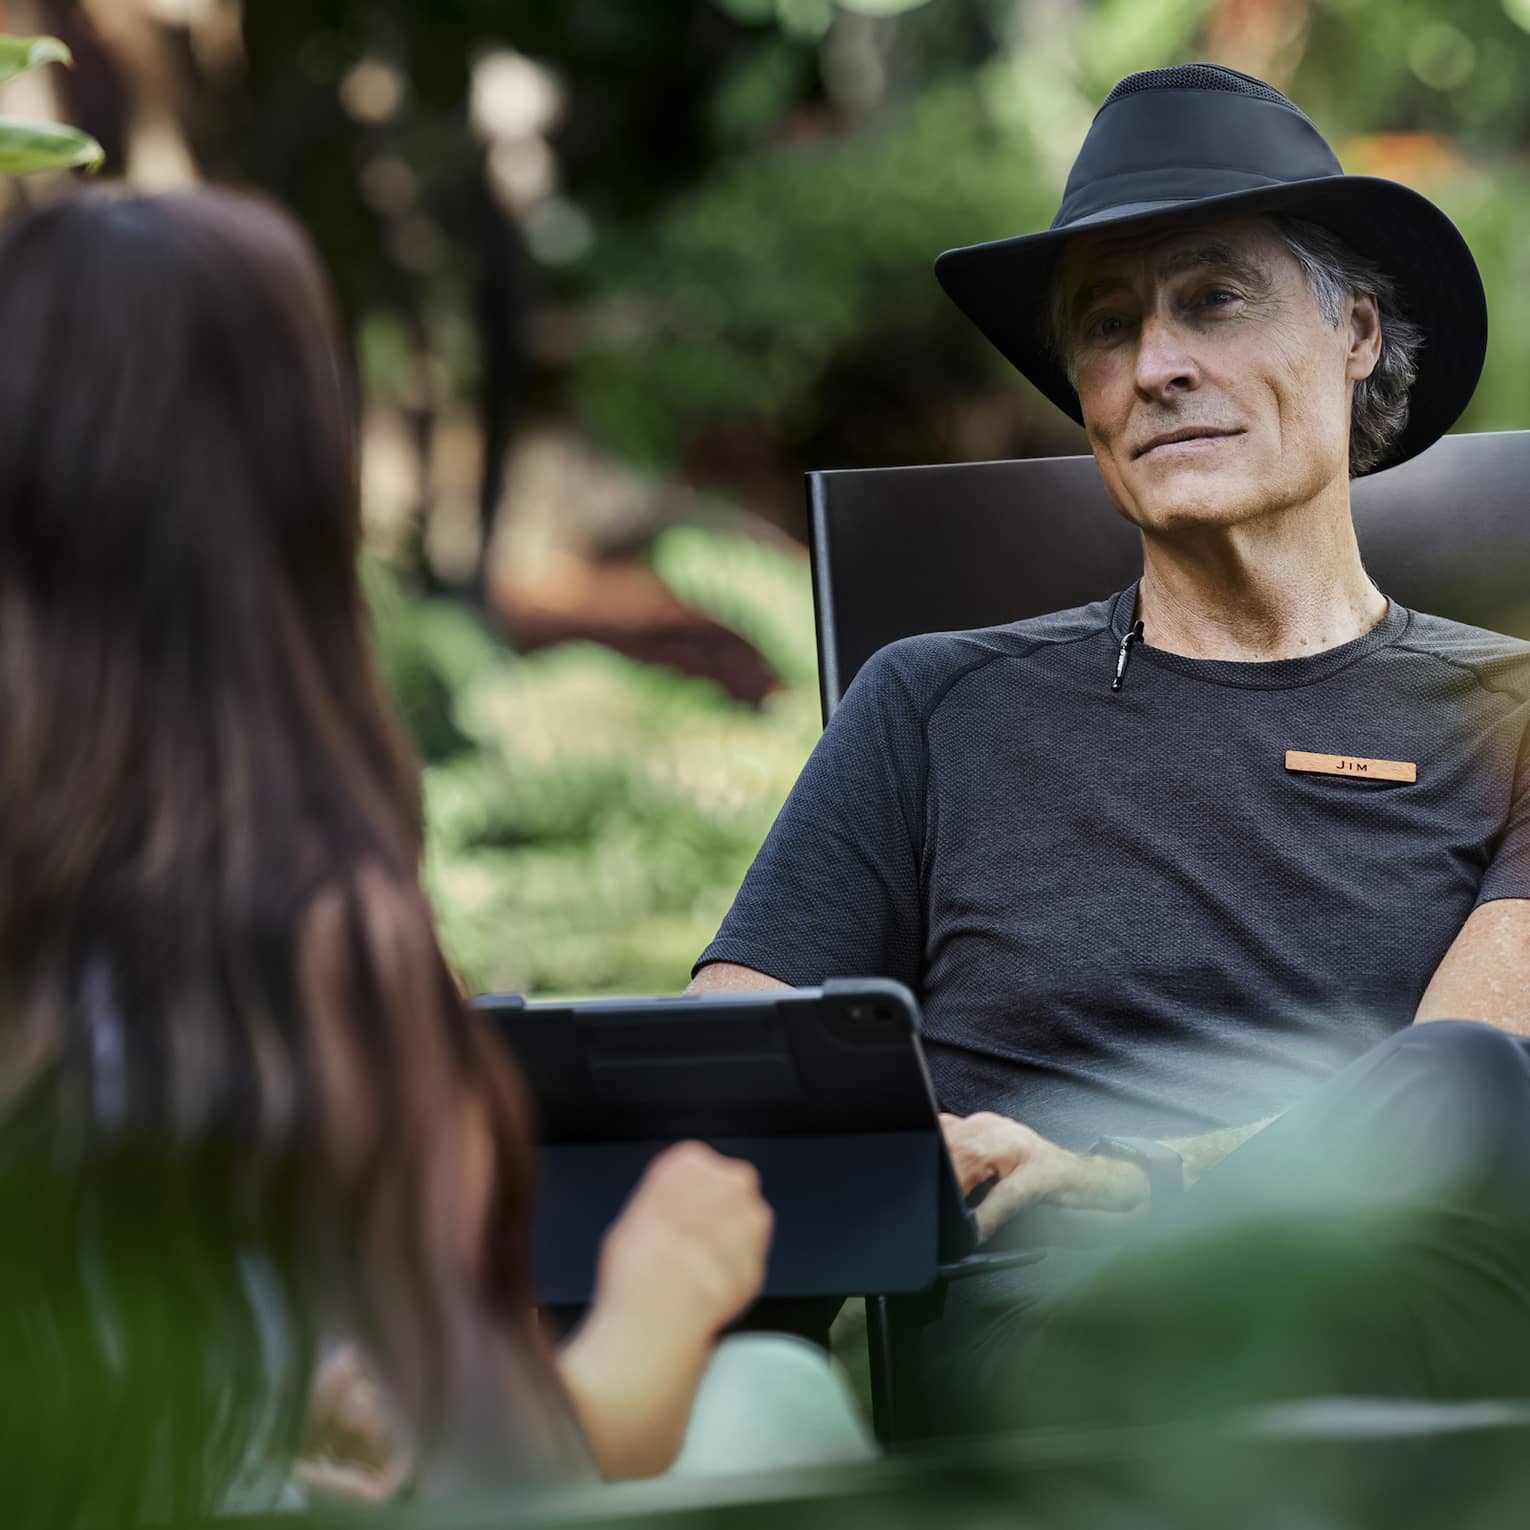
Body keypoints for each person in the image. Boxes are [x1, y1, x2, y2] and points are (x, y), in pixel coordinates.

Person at [0, 187, 866, 1523]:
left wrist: (257, 1411)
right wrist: (665, 1285)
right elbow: (512, 1477)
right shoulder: (306, 926)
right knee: (776, 1392)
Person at [691, 65, 1530, 1428]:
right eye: (1105, 324)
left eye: (1214, 298)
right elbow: (719, 1103)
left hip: (1398, 1356)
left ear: (1357, 331)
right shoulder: (931, 708)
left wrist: (1144, 1183)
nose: (1154, 366)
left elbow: (1471, 1110)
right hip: (1054, 1367)